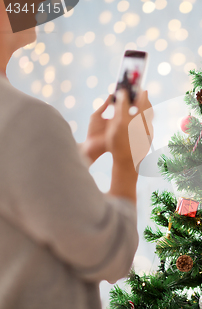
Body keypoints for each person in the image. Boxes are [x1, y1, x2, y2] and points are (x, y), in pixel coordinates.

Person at [0, 2, 153, 309]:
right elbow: (112, 254)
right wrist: (127, 161)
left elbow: (21, 195)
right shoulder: (25, 118)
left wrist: (88, 150)